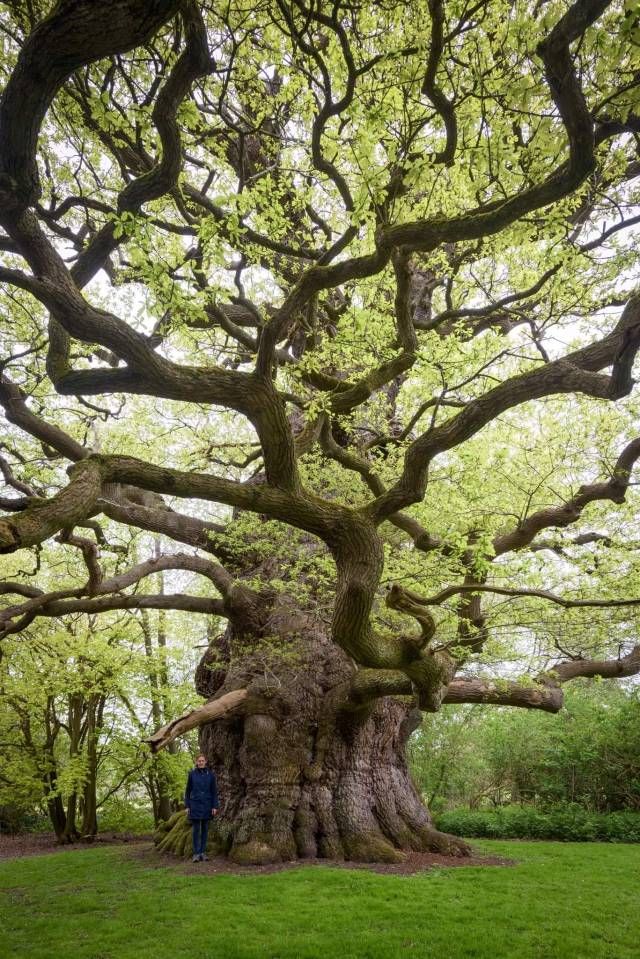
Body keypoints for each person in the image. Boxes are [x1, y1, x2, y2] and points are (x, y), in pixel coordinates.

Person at [184, 753, 219, 862]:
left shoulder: (211, 775)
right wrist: (187, 805)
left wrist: (214, 806)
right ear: (196, 762)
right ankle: (196, 853)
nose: (201, 762)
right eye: (199, 761)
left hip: (207, 805)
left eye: (202, 761)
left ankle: (203, 852)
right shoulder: (192, 774)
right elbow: (187, 791)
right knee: (196, 830)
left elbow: (214, 792)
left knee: (204, 829)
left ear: (205, 762)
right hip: (195, 805)